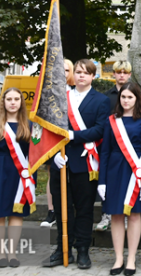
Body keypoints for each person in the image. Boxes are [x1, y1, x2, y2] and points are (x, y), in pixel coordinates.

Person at [43, 59, 110, 270]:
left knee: (84, 209)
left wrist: (73, 135)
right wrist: (53, 154)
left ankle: (82, 250)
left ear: (93, 76)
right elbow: (49, 128)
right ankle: (62, 248)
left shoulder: (101, 100)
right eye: (78, 72)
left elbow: (100, 129)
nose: (81, 76)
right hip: (60, 162)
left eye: (86, 73)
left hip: (85, 163)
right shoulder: (61, 98)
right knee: (63, 209)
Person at [98, 82, 141, 275]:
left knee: (135, 215)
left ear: (138, 99)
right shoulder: (110, 120)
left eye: (130, 97)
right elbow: (104, 153)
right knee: (116, 215)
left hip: (135, 174)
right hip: (114, 171)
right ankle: (119, 258)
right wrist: (101, 181)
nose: (126, 100)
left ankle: (131, 259)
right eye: (123, 97)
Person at [0, 87, 36, 267]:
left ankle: (12, 253)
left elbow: (34, 153)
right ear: (3, 102)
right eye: (9, 99)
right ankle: (0, 253)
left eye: (16, 99)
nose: (12, 102)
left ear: (21, 102)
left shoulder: (29, 125)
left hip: (20, 176)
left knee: (15, 214)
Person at [96, 60, 134, 233]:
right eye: (118, 72)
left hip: (129, 146)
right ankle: (106, 215)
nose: (121, 75)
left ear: (129, 75)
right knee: (109, 182)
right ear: (114, 74)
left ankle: (126, 215)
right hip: (110, 144)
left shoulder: (134, 93)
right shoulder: (106, 97)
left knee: (127, 183)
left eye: (125, 72)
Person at [42, 58, 76, 229]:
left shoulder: (75, 95)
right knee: (52, 177)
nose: (62, 74)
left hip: (72, 145)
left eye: (66, 70)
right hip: (53, 145)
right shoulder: (47, 95)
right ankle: (52, 211)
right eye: (58, 70)